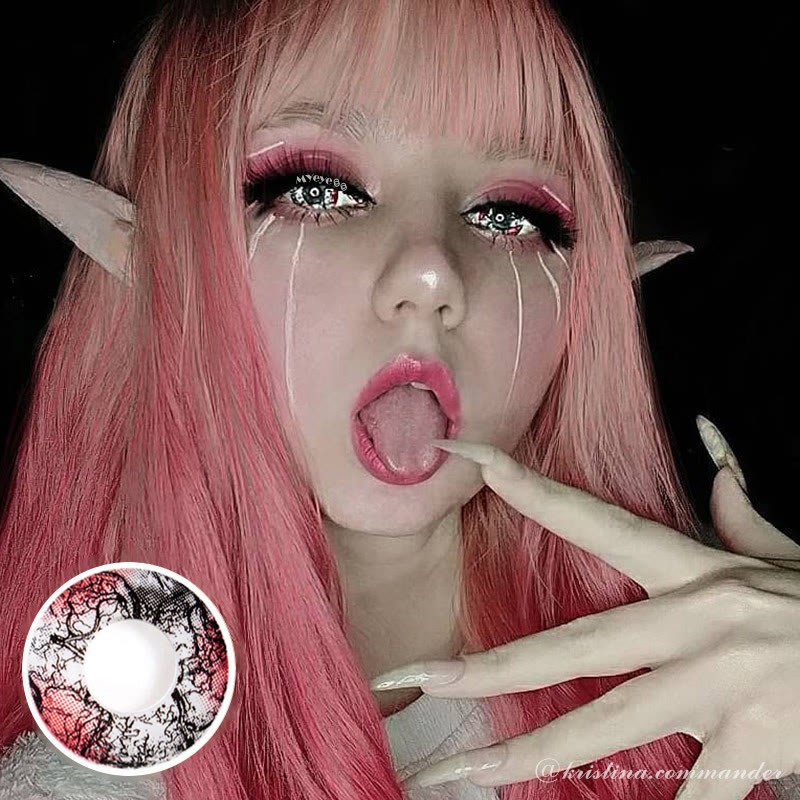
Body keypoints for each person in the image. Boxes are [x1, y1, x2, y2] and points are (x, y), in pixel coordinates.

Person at [0, 0, 798, 799]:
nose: (432, 273)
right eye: (316, 192)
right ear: (155, 257)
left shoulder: (753, 683)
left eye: (510, 216)